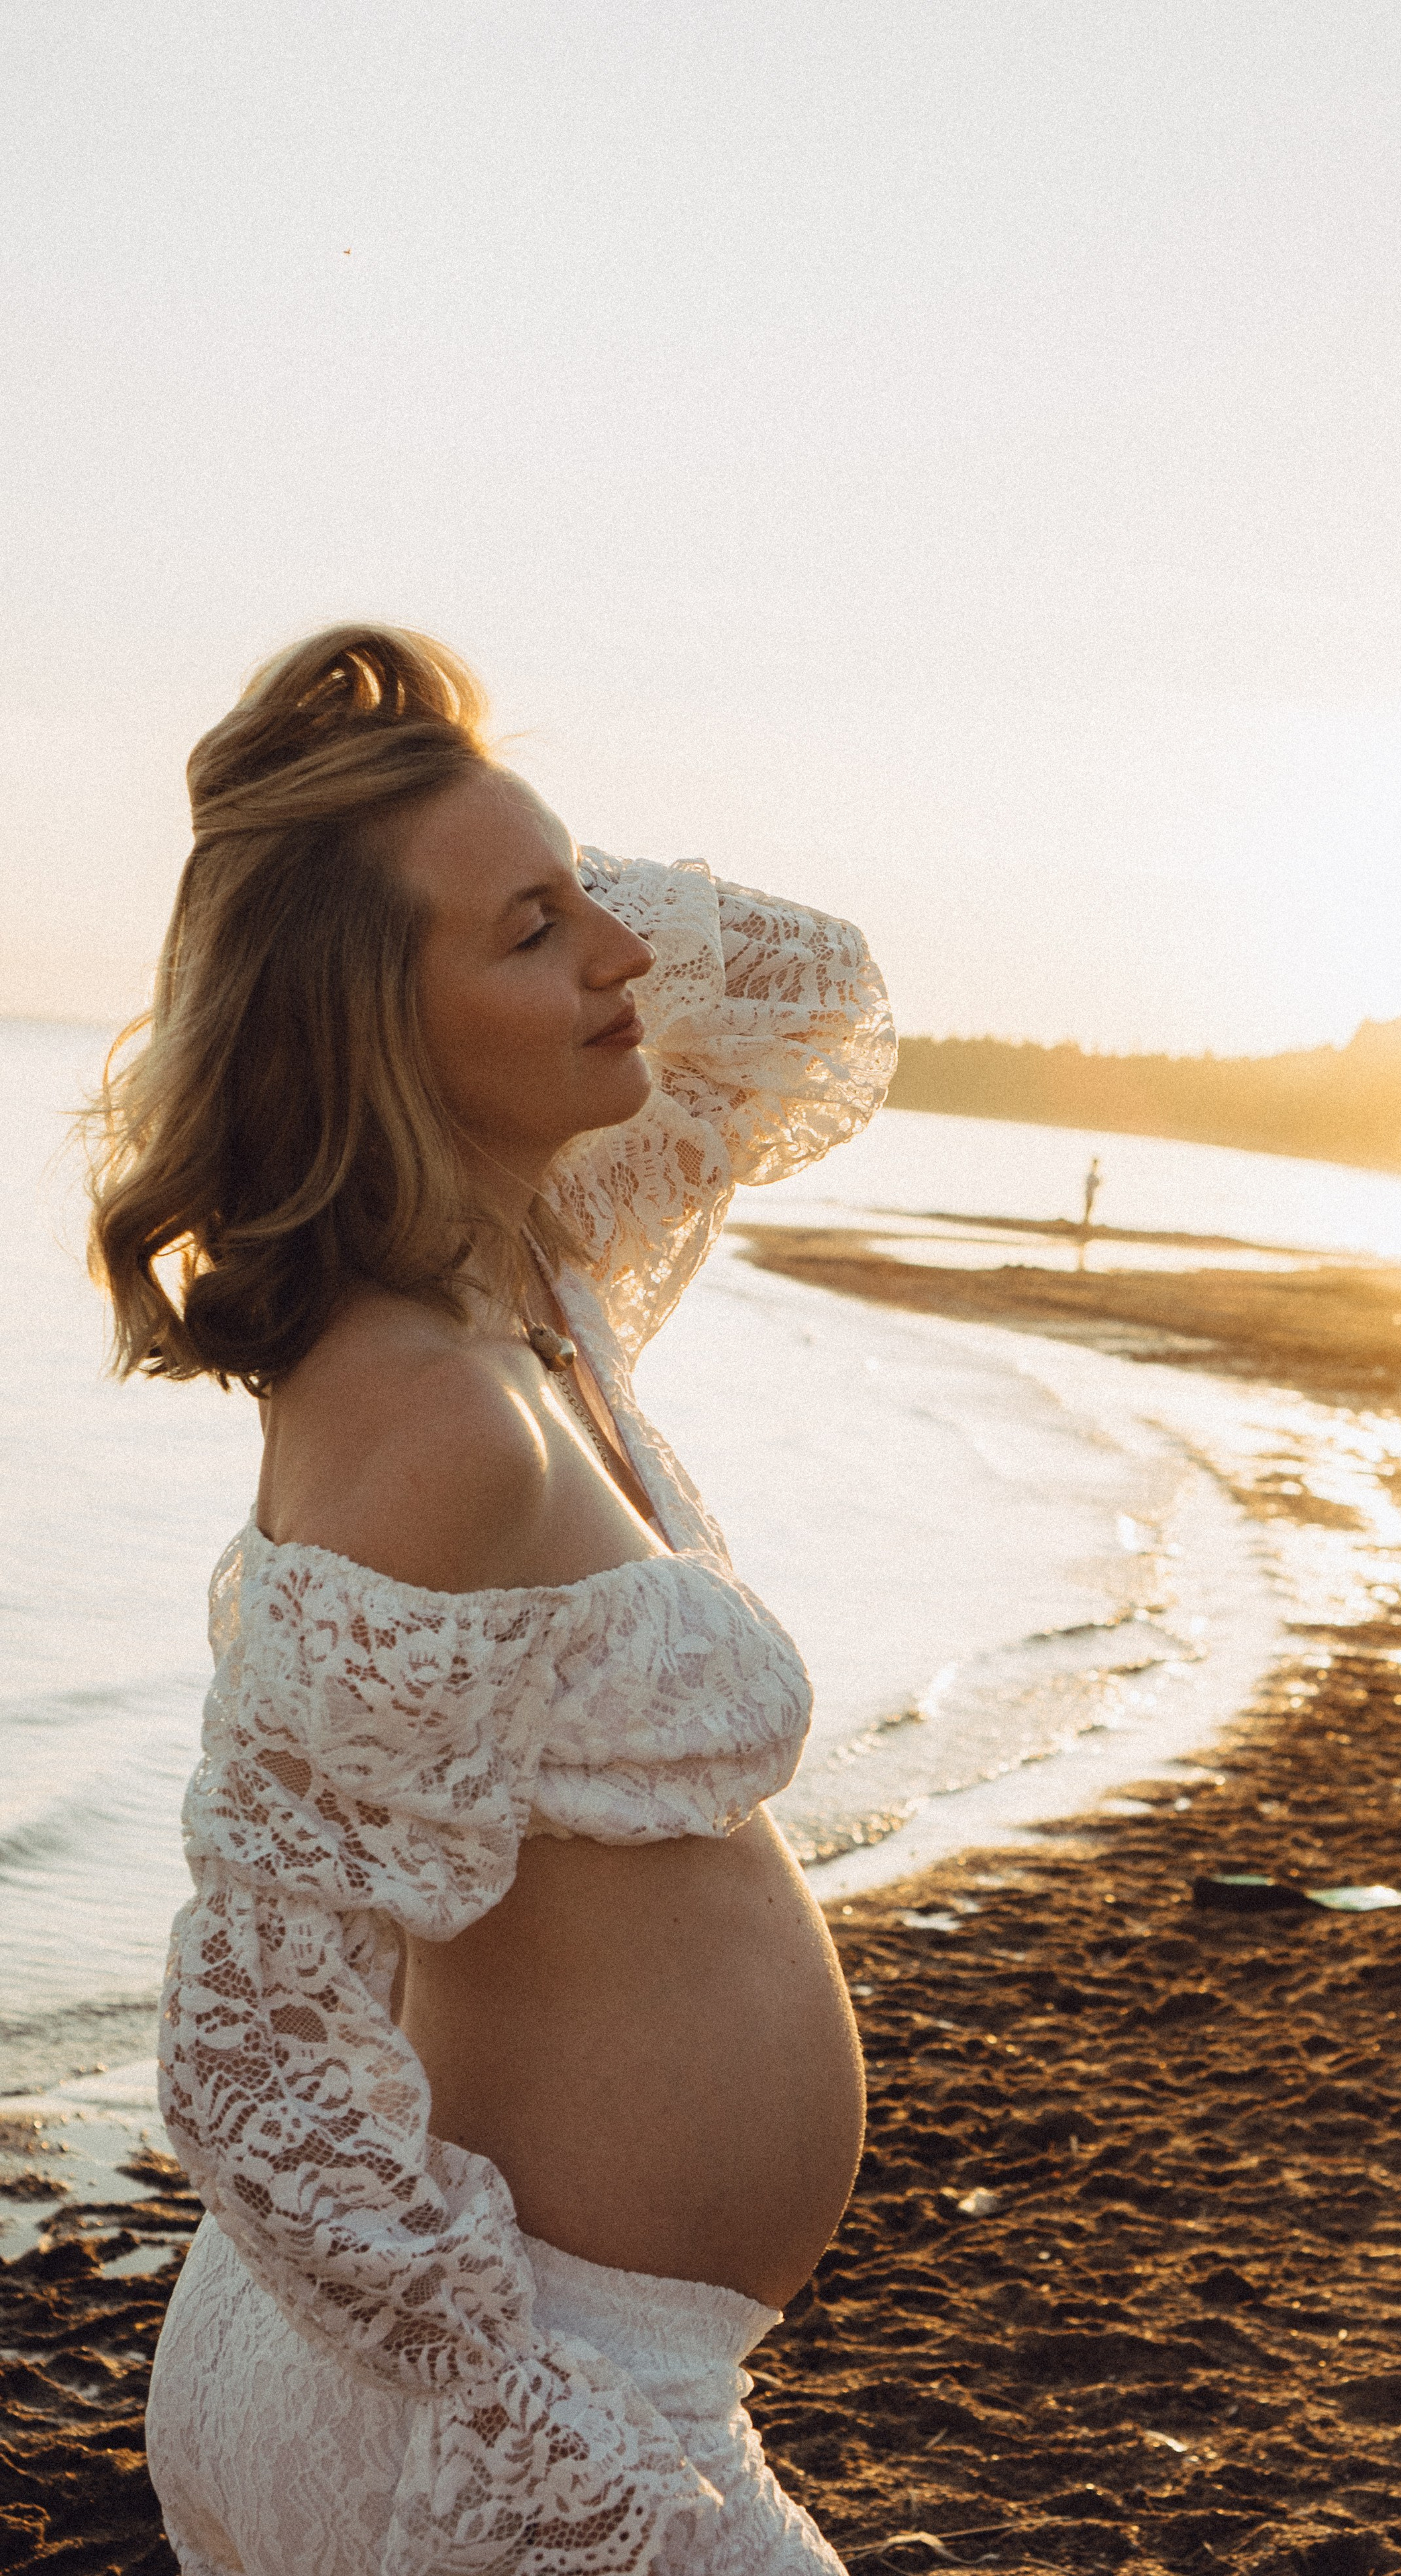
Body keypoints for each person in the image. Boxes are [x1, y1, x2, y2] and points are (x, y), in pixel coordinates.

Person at [86, 627, 895, 2575]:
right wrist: (553, 2449)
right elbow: (260, 2060)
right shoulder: (432, 1417)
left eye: (593, 906)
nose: (624, 955)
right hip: (506, 2402)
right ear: (379, 1027)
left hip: (513, 2363)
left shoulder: (526, 1287)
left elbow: (817, 997)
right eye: (539, 933)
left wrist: (483, 841)